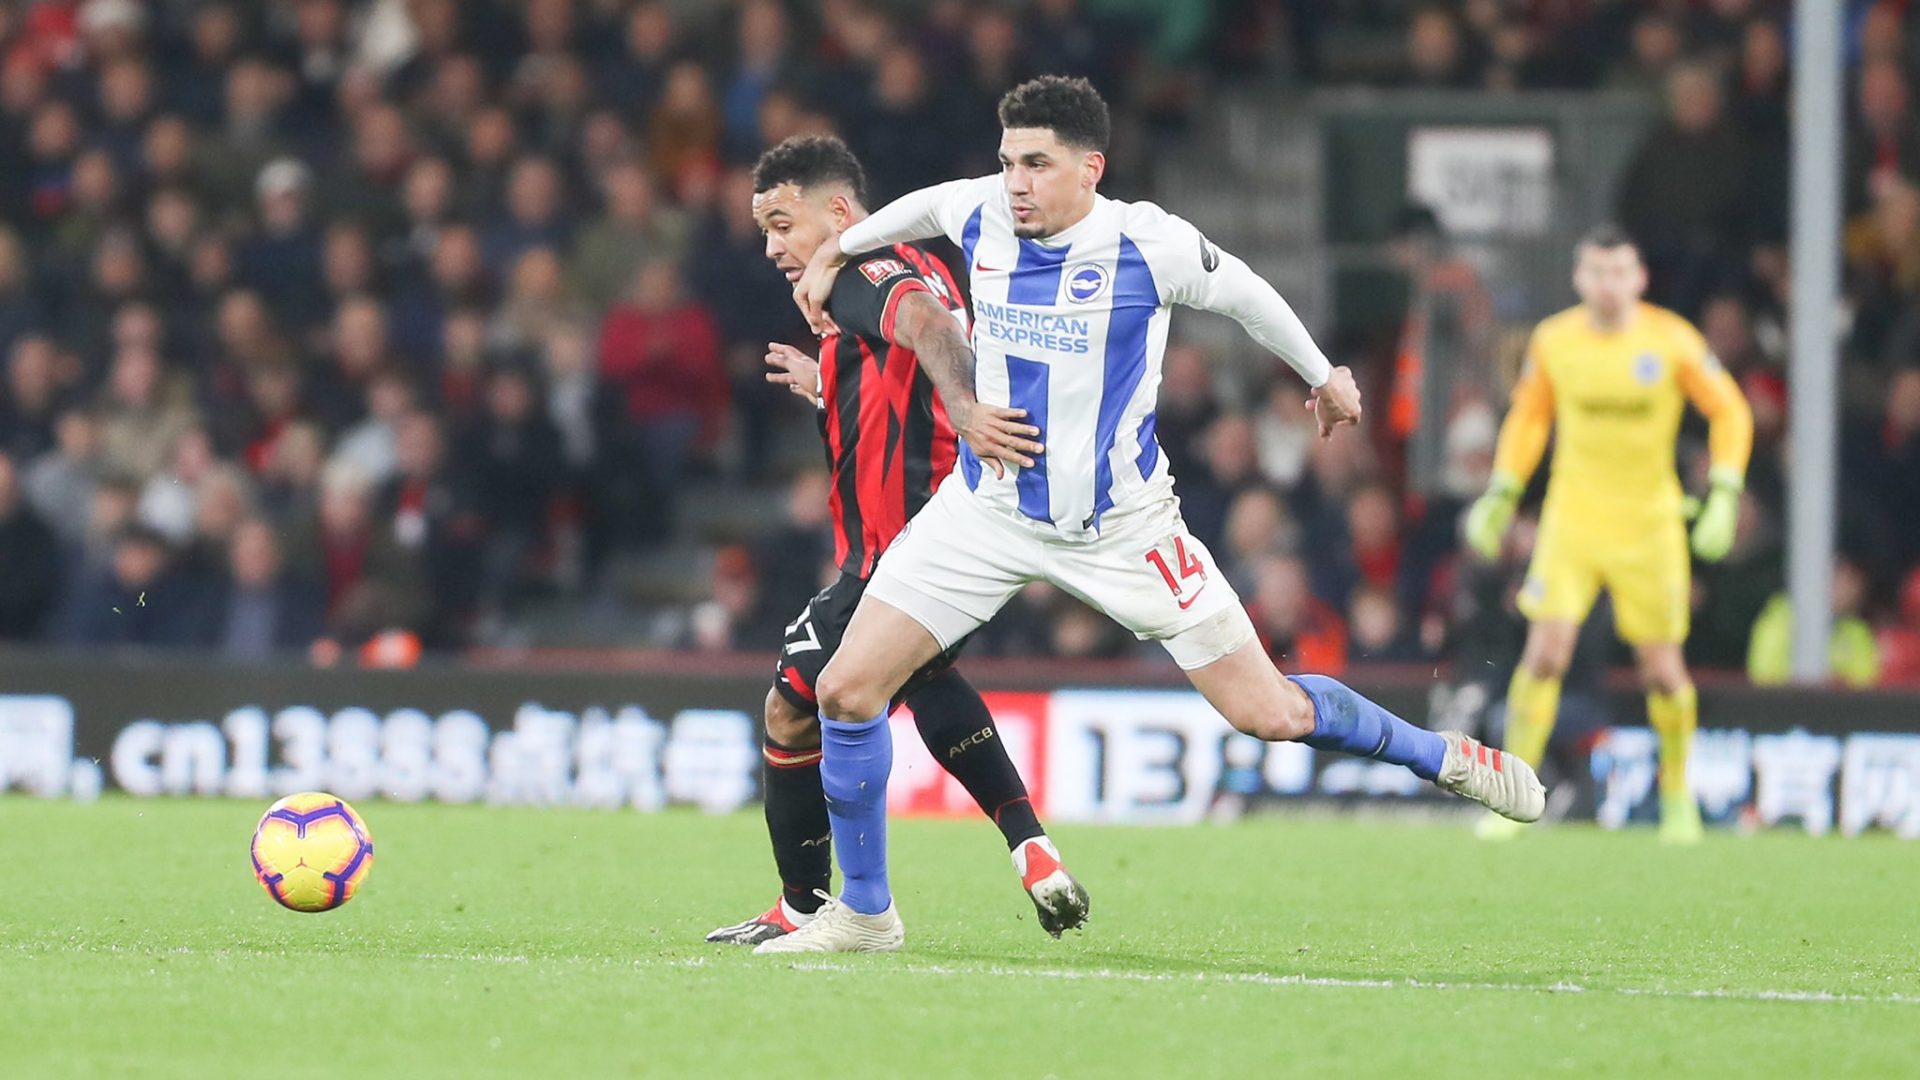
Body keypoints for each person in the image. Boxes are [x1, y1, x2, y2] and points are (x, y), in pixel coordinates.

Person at [768, 77, 1544, 955]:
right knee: (846, 690)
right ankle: (867, 914)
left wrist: (1322, 375)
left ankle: (1445, 758)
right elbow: (914, 210)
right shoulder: (979, 209)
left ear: (1090, 169)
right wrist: (838, 252)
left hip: (1125, 530)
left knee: (1272, 712)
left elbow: (1247, 294)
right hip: (986, 510)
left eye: (1037, 164)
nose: (1015, 182)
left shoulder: (1148, 243)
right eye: (1008, 162)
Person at [705, 134, 1087, 948]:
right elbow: (902, 376)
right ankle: (1030, 846)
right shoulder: (915, 265)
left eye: (783, 224)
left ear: (840, 213)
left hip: (902, 547)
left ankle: (819, 908)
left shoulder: (861, 268)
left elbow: (924, 327)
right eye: (765, 230)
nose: (772, 247)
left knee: (794, 707)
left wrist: (970, 406)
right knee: (917, 681)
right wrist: (828, 383)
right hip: (933, 535)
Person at [1463, 227, 1753, 844]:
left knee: (1663, 671)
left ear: (1639, 278)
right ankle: (1511, 799)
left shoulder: (1671, 340)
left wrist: (1726, 490)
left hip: (1649, 522)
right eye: (1597, 272)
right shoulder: (1555, 340)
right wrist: (1502, 491)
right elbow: (1529, 416)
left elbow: (1730, 408)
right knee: (1545, 654)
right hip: (1574, 517)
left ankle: (1677, 798)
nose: (1608, 285)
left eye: (1619, 272)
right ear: (1579, 278)